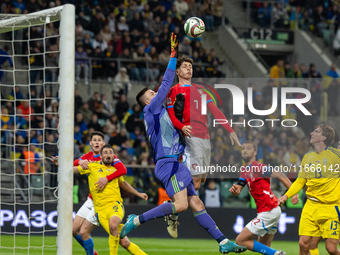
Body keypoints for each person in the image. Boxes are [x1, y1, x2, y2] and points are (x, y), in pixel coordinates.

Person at [119, 33, 247, 254]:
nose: (156, 92)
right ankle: (137, 219)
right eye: (152, 92)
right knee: (181, 204)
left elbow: (181, 112)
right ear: (148, 100)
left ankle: (223, 243)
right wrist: (173, 55)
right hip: (167, 164)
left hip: (176, 162)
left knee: (197, 203)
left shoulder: (164, 110)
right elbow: (168, 82)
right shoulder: (151, 109)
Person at [51, 132, 146, 255]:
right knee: (74, 230)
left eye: (99, 140)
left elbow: (123, 173)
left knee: (90, 232)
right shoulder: (88, 159)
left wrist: (137, 193)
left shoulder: (111, 160)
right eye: (94, 140)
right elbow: (72, 165)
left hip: (106, 204)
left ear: (103, 143)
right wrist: (62, 163)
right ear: (90, 143)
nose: (96, 142)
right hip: (93, 200)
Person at [74, 145, 148, 255]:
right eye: (105, 153)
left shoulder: (115, 171)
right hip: (99, 210)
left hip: (114, 205)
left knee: (113, 224)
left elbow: (123, 183)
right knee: (123, 242)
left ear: (113, 156)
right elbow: (72, 169)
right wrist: (60, 162)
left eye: (110, 153)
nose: (108, 155)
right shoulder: (92, 167)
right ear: (101, 156)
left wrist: (138, 193)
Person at [278, 124, 340, 255]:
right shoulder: (307, 157)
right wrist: (286, 196)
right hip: (310, 206)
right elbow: (300, 180)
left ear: (323, 137)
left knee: (332, 248)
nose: (311, 133)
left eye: (316, 131)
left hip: (330, 207)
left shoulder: (336, 155)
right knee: (303, 243)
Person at [229, 140, 299, 255]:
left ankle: (277, 254)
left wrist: (294, 193)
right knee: (265, 248)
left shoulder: (259, 167)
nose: (245, 150)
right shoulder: (244, 171)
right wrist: (234, 191)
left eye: (248, 148)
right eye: (243, 148)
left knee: (240, 240)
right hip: (271, 210)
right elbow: (239, 190)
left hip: (269, 210)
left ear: (255, 153)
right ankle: (274, 253)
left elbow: (280, 175)